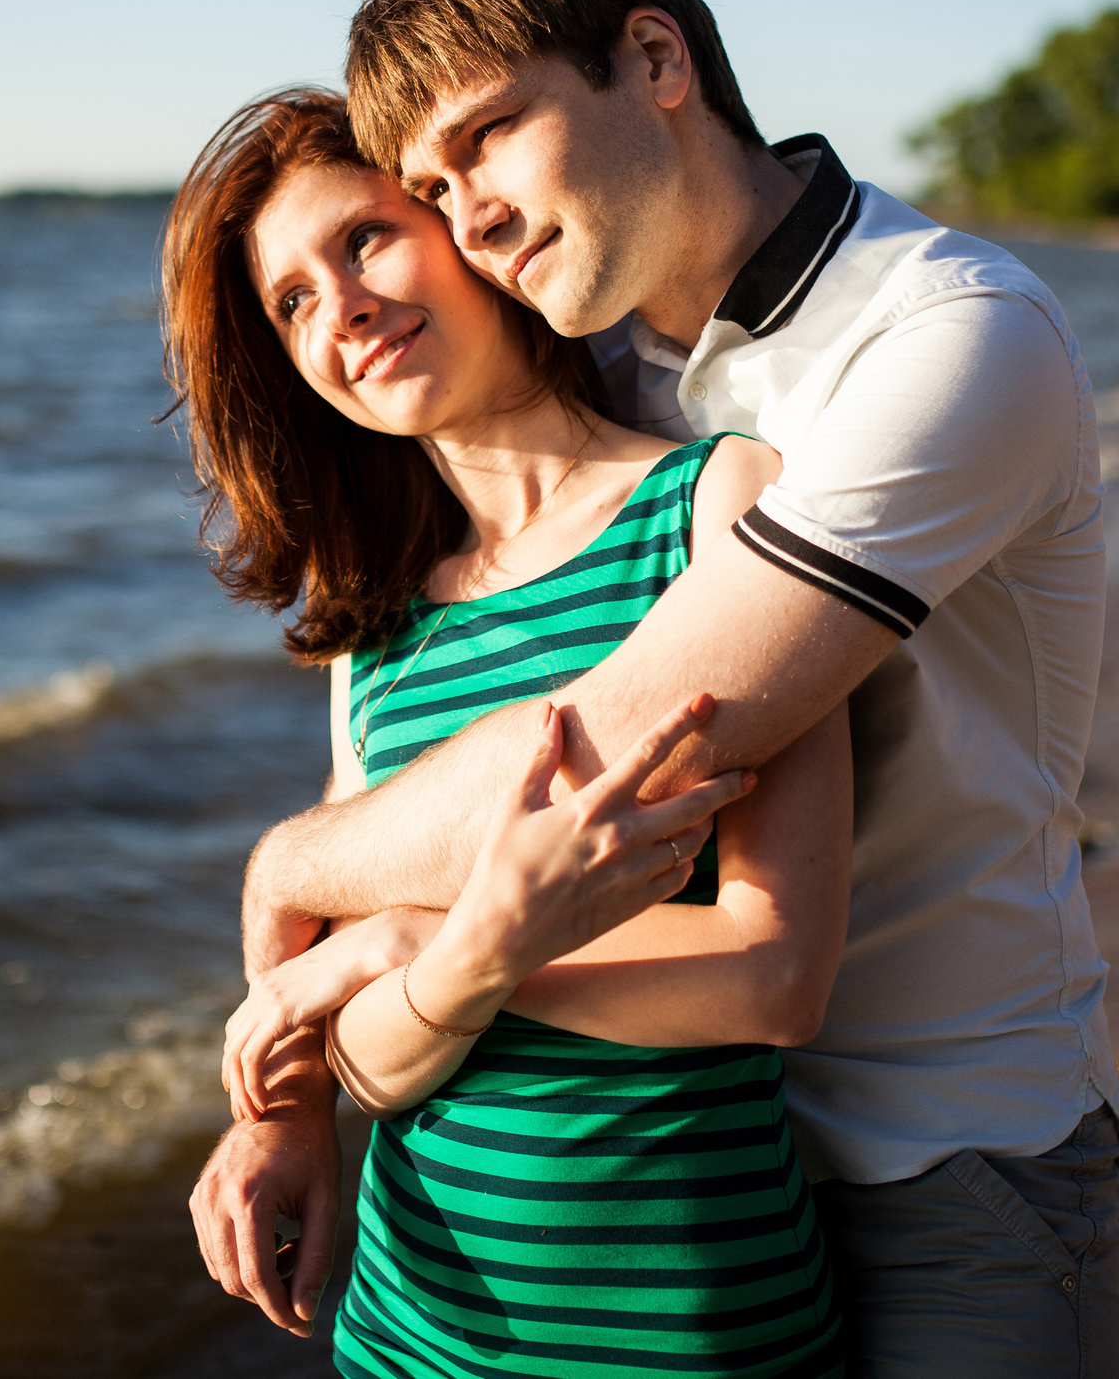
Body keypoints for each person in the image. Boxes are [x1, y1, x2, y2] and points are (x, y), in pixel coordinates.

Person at [190, 0, 1119, 1378]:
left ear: (655, 59)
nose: (468, 216)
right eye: (428, 186)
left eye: (487, 136)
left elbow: (613, 733)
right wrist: (298, 1089)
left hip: (949, 1141)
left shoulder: (952, 336)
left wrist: (312, 879)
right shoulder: (613, 354)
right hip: (710, 1168)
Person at [162, 89, 852, 1376]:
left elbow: (775, 980)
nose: (342, 308)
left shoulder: (712, 506)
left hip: (697, 1336)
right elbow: (366, 1060)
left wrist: (430, 945)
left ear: (464, 225)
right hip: (416, 1335)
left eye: (362, 241)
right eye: (293, 302)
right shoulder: (372, 636)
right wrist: (417, 993)